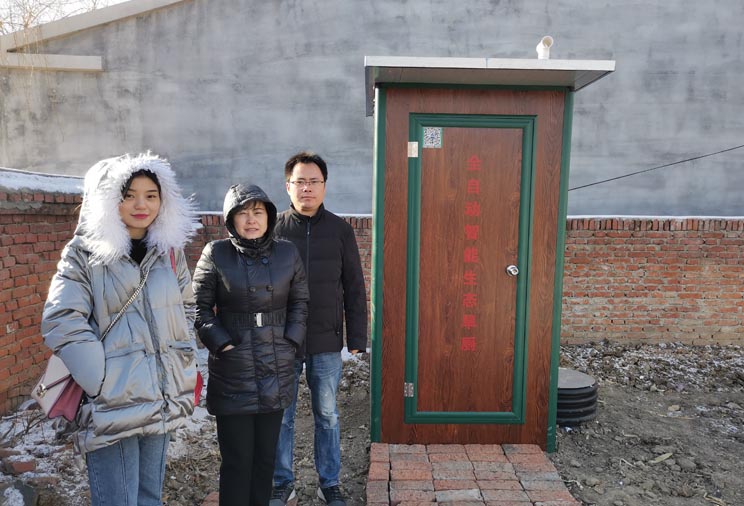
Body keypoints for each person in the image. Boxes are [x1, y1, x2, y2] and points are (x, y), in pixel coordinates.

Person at [41, 153, 199, 506]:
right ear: (107, 198)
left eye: (151, 195)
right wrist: (101, 380)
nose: (142, 205)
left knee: (149, 497)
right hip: (114, 402)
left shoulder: (169, 251)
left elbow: (185, 307)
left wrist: (182, 359)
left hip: (162, 393)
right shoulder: (84, 253)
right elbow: (61, 319)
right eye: (129, 195)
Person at [192, 183, 308, 506]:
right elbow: (199, 308)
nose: (251, 220)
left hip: (275, 367)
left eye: (258, 212)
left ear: (269, 216)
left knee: (265, 460)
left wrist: (291, 342)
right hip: (234, 370)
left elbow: (300, 301)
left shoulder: (287, 253)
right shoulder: (216, 254)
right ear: (231, 219)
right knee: (237, 460)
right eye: (243, 213)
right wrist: (222, 345)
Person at [271, 152, 368, 506]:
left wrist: (357, 337)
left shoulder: (340, 230)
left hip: (326, 339)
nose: (307, 188)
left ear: (325, 186)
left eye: (314, 181)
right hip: (282, 340)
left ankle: (330, 483)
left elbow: (354, 285)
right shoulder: (274, 229)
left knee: (327, 415)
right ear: (288, 186)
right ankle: (282, 482)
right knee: (281, 416)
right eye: (300, 182)